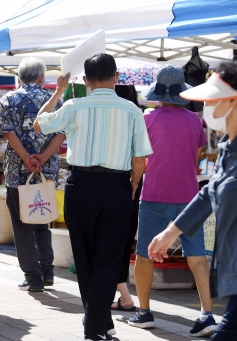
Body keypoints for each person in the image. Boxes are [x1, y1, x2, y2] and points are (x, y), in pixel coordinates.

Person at [34, 53, 153, 341]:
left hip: (81, 185)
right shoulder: (132, 110)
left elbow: (39, 124)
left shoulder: (74, 105)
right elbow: (140, 159)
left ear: (85, 81)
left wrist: (59, 91)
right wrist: (134, 184)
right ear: (116, 77)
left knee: (85, 257)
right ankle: (98, 325)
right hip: (117, 187)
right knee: (108, 258)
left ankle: (99, 323)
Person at [148, 62, 237, 341]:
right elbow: (209, 192)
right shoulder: (226, 146)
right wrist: (170, 232)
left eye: (212, 99)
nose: (206, 107)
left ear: (232, 100)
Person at [127, 65, 216, 336]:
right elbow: (199, 155)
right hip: (189, 197)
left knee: (144, 255)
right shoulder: (194, 120)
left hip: (154, 193)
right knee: (197, 257)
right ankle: (207, 314)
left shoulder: (147, 117)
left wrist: (133, 185)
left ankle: (144, 312)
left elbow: (139, 159)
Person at [0, 57, 66, 292]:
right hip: (46, 172)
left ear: (19, 78)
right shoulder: (55, 99)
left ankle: (33, 277)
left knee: (22, 225)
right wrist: (44, 156)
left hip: (18, 171)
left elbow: (8, 133)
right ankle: (47, 273)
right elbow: (61, 133)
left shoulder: (8, 99)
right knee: (42, 221)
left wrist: (27, 157)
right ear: (41, 78)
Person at [111, 85, 142, 313]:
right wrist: (135, 183)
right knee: (123, 244)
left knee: (111, 245)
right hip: (135, 189)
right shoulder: (136, 116)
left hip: (119, 186)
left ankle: (124, 294)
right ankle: (123, 293)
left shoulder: (115, 121)